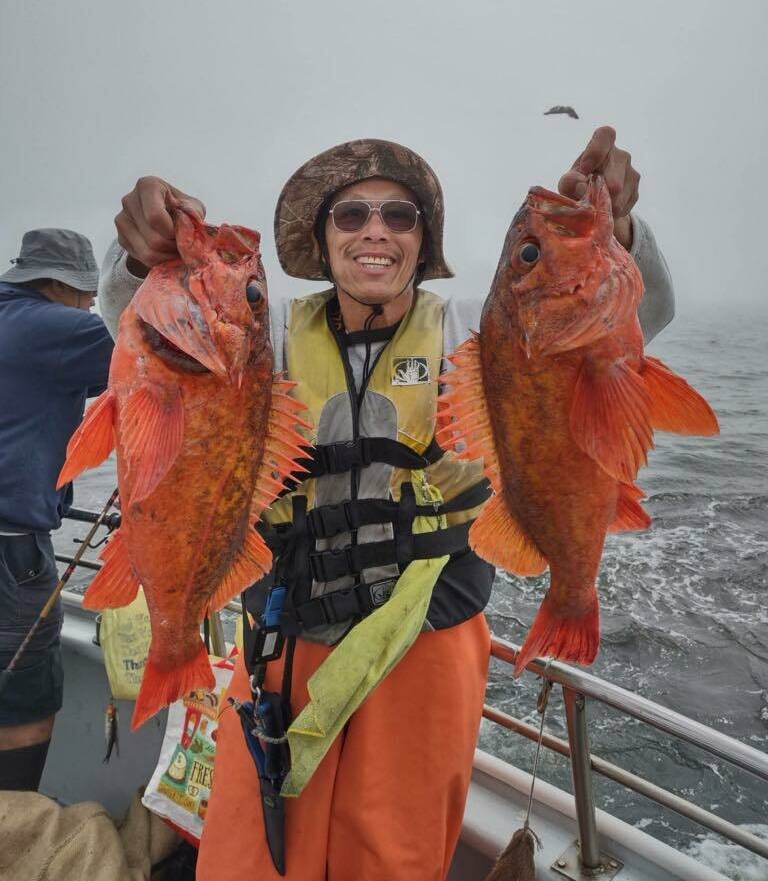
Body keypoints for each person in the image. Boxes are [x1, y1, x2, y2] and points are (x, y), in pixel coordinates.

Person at [99, 127, 674, 880]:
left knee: (393, 860)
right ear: (323, 238)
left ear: (423, 241)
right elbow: (133, 318)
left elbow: (644, 310)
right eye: (351, 215)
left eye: (399, 216)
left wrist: (622, 230)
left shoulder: (477, 329)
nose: (375, 231)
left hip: (425, 647)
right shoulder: (257, 331)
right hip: (284, 639)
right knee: (249, 855)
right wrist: (143, 255)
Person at [0, 229, 114, 792]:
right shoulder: (53, 328)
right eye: (88, 293)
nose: (93, 304)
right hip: (10, 549)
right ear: (60, 286)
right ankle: (13, 841)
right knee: (23, 703)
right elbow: (165, 348)